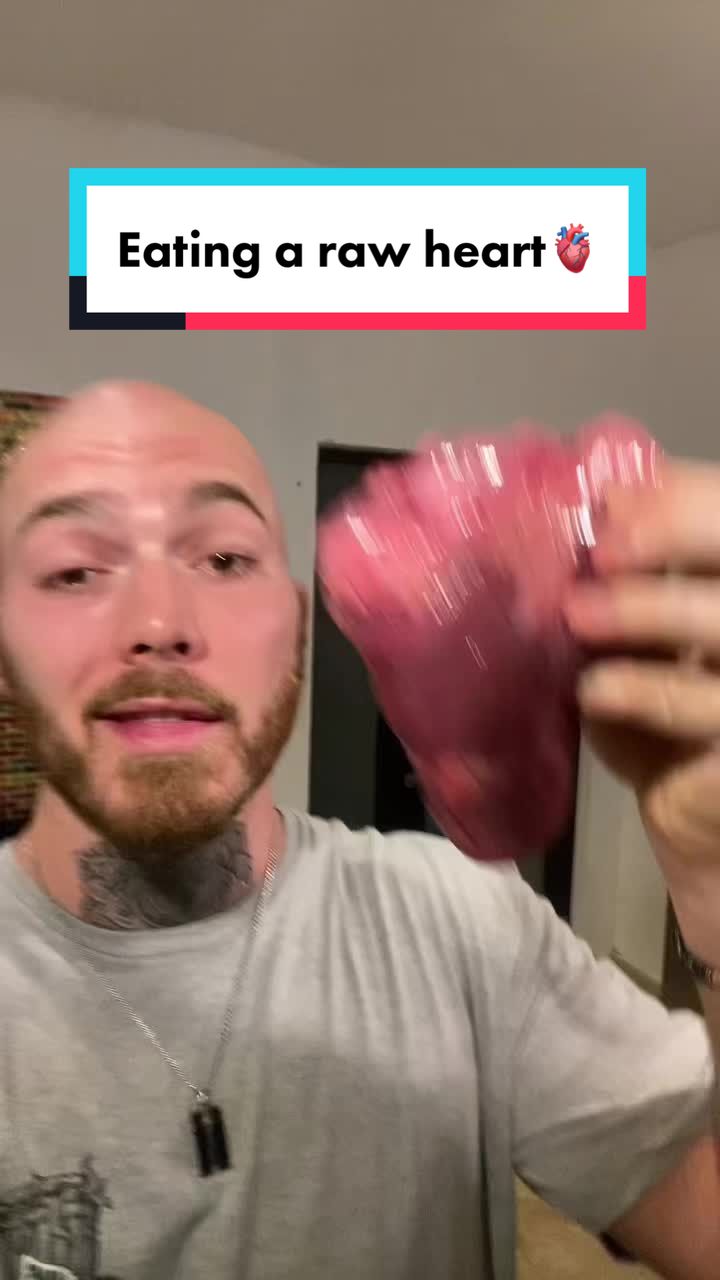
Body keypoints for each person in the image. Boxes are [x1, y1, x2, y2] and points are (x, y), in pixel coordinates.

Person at [0, 379, 717, 1280]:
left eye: (223, 559)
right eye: (74, 571)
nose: (159, 624)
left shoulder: (464, 926)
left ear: (297, 629)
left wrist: (712, 884)